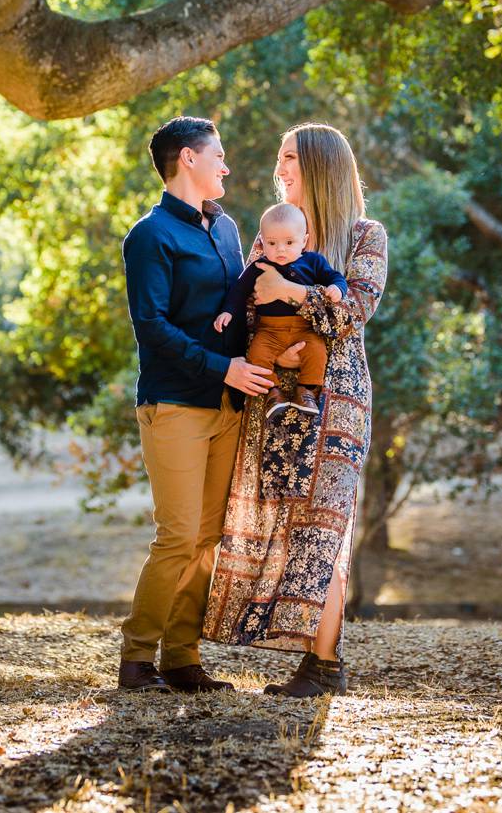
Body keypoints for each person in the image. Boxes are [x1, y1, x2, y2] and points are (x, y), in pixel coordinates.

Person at [203, 122, 389, 698]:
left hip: (336, 404)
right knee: (282, 520)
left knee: (323, 529)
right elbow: (252, 309)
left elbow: (351, 315)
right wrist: (277, 325)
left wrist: (291, 295)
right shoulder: (270, 236)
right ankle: (297, 650)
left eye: (289, 158)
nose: (278, 168)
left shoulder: (365, 236)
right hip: (275, 398)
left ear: (318, 165)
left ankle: (325, 663)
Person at [117, 115, 278, 693]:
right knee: (179, 535)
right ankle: (137, 660)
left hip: (229, 405)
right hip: (176, 403)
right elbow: (152, 327)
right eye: (219, 156)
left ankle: (182, 659)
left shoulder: (228, 229)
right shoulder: (150, 236)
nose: (226, 166)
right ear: (188, 158)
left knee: (209, 537)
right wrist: (223, 366)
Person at [213, 202, 346, 418]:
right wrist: (228, 311)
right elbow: (238, 290)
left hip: (304, 328)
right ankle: (273, 393)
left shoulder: (313, 262)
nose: (280, 249)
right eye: (272, 243)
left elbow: (335, 276)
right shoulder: (259, 267)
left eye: (289, 242)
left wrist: (336, 288)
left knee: (317, 351)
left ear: (304, 241)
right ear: (262, 242)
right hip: (269, 330)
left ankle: (307, 390)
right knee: (257, 354)